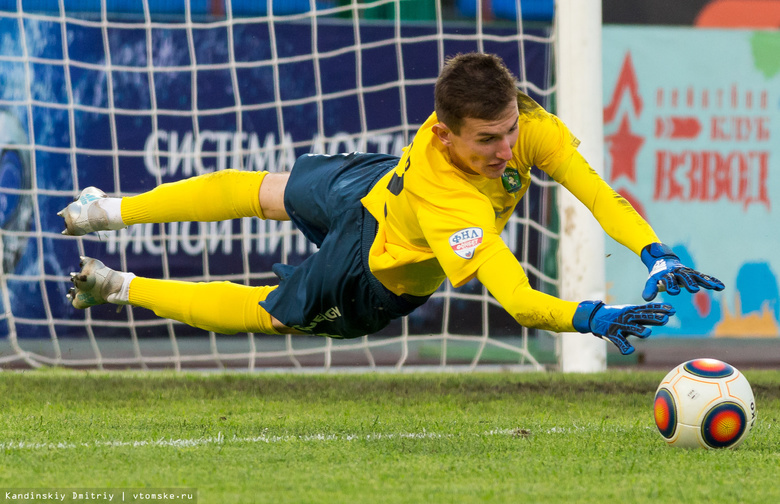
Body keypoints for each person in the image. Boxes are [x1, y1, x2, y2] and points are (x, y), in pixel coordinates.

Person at [59, 52, 723, 355]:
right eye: (487, 141)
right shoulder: (452, 203)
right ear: (443, 134)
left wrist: (653, 252)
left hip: (378, 193)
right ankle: (113, 254)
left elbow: (599, 194)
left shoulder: (526, 127)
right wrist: (593, 315)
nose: (504, 151)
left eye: (509, 134)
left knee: (269, 192)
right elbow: (519, 302)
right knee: (273, 307)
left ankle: (109, 246)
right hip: (371, 270)